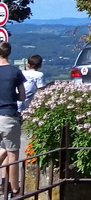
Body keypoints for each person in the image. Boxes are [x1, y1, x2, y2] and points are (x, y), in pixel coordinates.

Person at [0, 42, 25, 198]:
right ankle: (15, 189)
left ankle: (5, 185)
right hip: (9, 116)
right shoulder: (16, 72)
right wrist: (12, 96)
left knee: (3, 149)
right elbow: (22, 96)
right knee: (13, 154)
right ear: (9, 53)